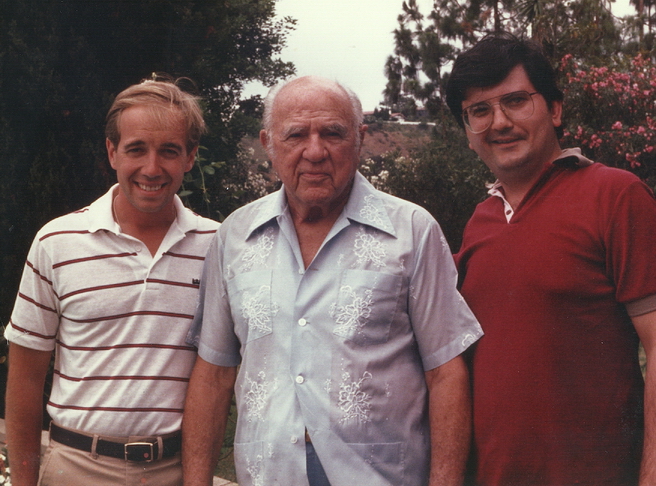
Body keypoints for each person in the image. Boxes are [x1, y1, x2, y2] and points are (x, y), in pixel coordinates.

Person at [182, 75, 483, 486]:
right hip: (269, 475)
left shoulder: (412, 231)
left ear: (359, 139)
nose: (315, 151)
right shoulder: (234, 236)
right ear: (268, 143)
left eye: (333, 133)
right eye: (296, 135)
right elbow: (213, 373)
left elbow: (446, 372)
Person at [445, 32, 656, 486]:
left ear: (555, 110)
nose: (499, 122)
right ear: (467, 133)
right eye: (479, 111)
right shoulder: (478, 223)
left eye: (516, 101)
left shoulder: (615, 195)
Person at [4, 77, 219, 486]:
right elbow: (26, 379)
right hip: (76, 467)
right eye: (136, 149)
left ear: (190, 157)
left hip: (176, 471)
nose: (151, 168)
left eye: (169, 151)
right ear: (112, 152)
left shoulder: (218, 246)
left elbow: (220, 375)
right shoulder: (57, 242)